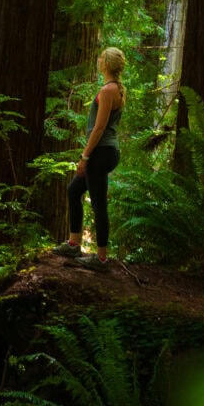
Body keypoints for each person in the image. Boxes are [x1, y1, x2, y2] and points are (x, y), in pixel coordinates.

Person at [52, 47, 126, 269]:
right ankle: (74, 243)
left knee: (99, 204)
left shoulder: (107, 91)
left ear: (107, 64)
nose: (98, 59)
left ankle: (101, 257)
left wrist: (85, 157)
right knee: (74, 190)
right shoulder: (118, 90)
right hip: (108, 151)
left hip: (101, 152)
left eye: (102, 57)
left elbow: (99, 128)